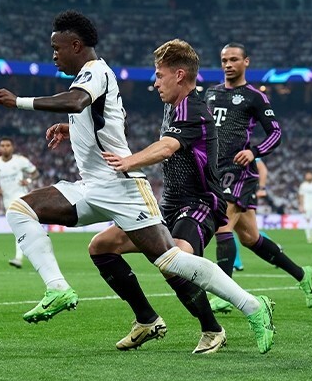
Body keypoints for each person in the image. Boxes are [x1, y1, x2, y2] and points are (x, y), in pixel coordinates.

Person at [0, 11, 275, 354]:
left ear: (75, 45)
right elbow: (107, 117)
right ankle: (67, 292)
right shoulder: (98, 80)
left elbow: (85, 105)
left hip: (142, 190)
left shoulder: (98, 74)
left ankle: (251, 307)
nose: (53, 54)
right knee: (27, 212)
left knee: (173, 261)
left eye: (56, 47)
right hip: (97, 185)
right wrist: (73, 129)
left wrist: (17, 101)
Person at [90, 39, 275, 354]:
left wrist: (129, 161)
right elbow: (138, 129)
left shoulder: (194, 109)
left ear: (179, 75)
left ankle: (230, 320)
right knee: (101, 246)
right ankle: (146, 319)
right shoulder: (172, 105)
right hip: (169, 204)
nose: (155, 81)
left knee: (174, 258)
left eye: (159, 75)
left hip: (200, 202)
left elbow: (167, 146)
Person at [202, 42, 312, 309]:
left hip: (239, 171)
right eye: (224, 60)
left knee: (222, 227)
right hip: (214, 170)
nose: (228, 65)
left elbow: (275, 133)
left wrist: (254, 152)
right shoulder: (210, 93)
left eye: (233, 59)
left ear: (246, 62)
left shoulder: (255, 97)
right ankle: (302, 274)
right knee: (250, 237)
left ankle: (224, 294)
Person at [0, 137, 38, 268]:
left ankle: (18, 258)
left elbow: (34, 173)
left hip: (21, 197)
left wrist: (28, 181)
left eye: (8, 145)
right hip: (7, 201)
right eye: (3, 145)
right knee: (21, 230)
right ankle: (33, 246)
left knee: (19, 228)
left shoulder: (20, 161)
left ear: (12, 147)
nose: (5, 148)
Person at [233, 157, 268, 271]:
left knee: (230, 228)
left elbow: (262, 168)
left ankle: (236, 262)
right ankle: (274, 248)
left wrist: (262, 188)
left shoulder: (243, 146)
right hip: (231, 193)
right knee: (243, 229)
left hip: (243, 193)